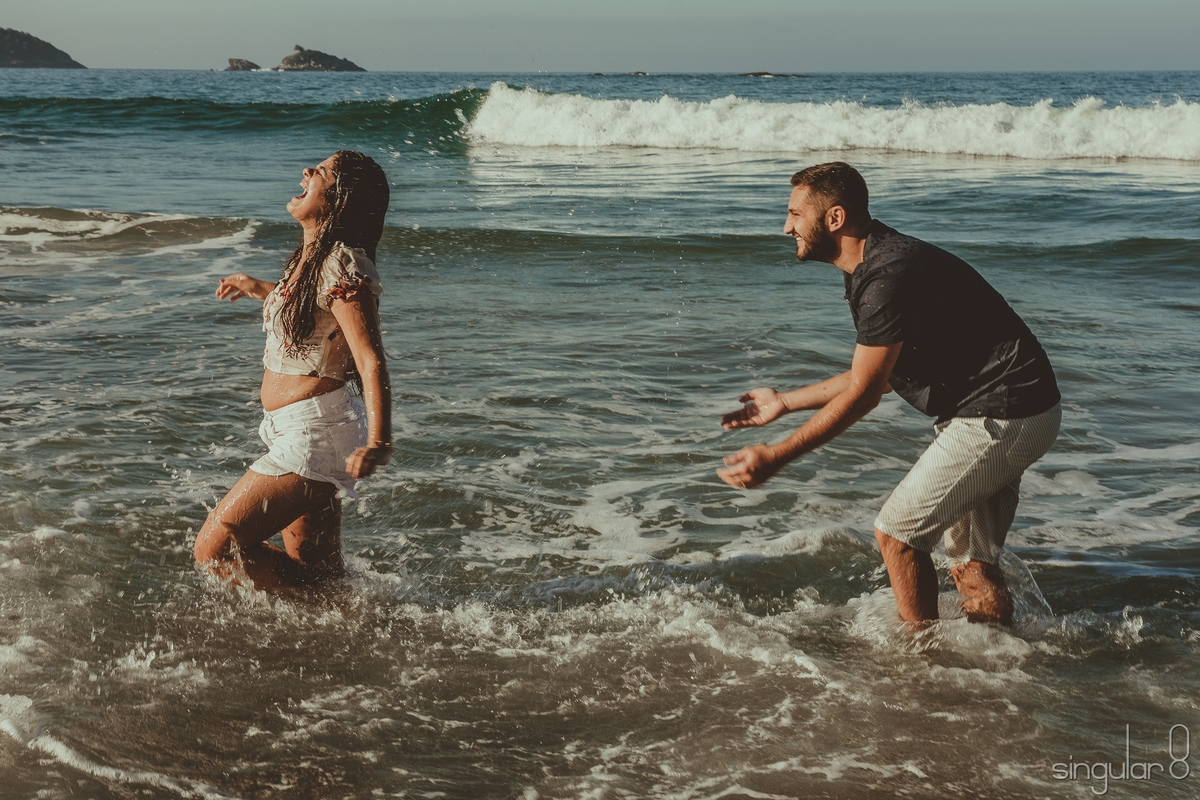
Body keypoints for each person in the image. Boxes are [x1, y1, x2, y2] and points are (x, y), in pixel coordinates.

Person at [717, 162, 1060, 626]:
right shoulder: (875, 265)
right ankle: (1002, 653)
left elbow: (865, 395)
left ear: (834, 218)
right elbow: (878, 374)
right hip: (1018, 408)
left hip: (1001, 411)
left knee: (898, 535)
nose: (786, 227)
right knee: (970, 561)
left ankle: (921, 659)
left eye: (795, 214)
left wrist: (777, 456)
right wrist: (786, 401)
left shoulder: (885, 276)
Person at [194, 150, 392, 592]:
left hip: (314, 434)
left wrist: (379, 442)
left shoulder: (342, 263)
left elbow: (369, 358)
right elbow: (313, 311)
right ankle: (355, 621)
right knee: (319, 574)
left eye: (320, 172)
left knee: (214, 550)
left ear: (338, 199)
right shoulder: (312, 258)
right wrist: (259, 288)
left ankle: (338, 613)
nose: (306, 171)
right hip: (298, 428)